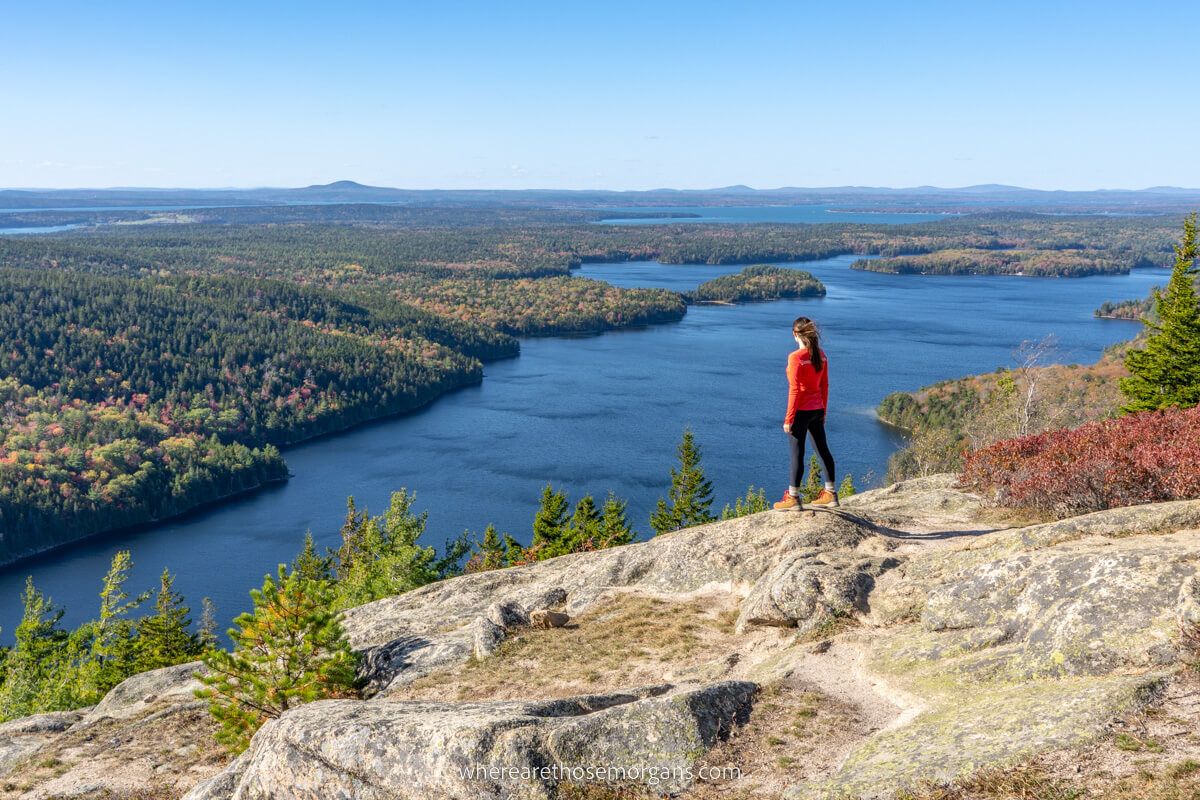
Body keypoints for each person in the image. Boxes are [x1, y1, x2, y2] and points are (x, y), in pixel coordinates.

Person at [774, 316, 839, 511]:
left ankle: (793, 497)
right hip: (817, 410)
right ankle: (831, 494)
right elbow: (824, 386)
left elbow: (795, 390)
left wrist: (789, 419)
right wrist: (823, 412)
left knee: (797, 454)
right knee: (823, 450)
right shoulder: (821, 355)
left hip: (801, 412)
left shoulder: (796, 358)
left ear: (795, 334)